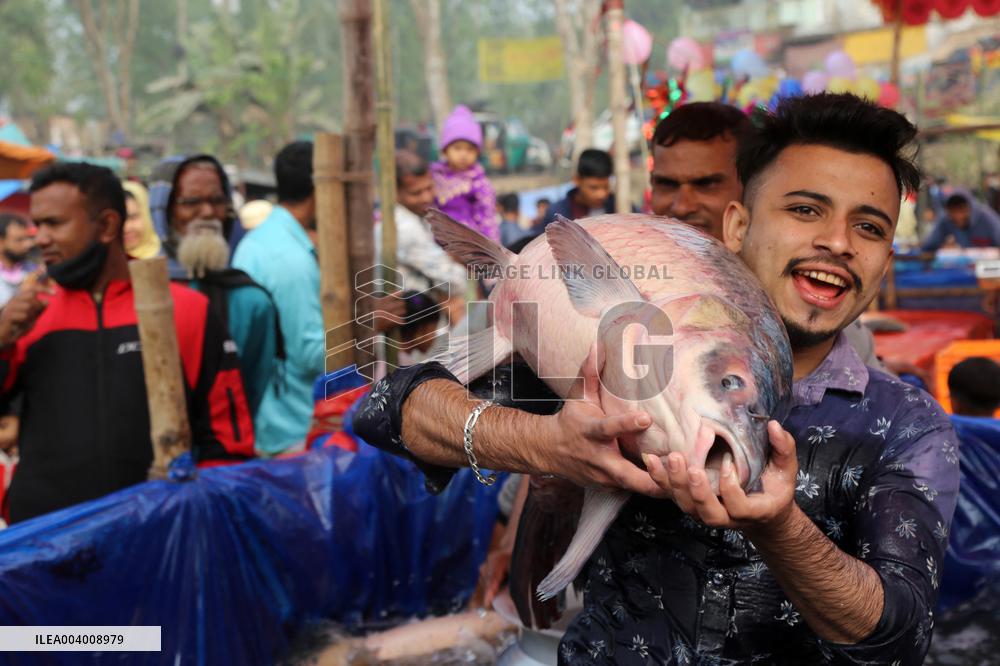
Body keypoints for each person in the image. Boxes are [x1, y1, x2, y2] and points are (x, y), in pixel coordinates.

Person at [352, 94, 959, 663]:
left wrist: (780, 528)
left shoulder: (906, 424)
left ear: (885, 259)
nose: (836, 242)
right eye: (805, 210)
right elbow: (385, 410)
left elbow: (900, 639)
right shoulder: (613, 350)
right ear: (738, 227)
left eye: (870, 227)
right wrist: (545, 445)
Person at [0, 163, 254, 523]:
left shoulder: (185, 309)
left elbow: (228, 442)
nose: (39, 238)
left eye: (54, 224)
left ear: (106, 225)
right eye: (37, 224)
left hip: (159, 546)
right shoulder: (26, 319)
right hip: (46, 554)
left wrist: (202, 517)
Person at [381, 150, 467, 324]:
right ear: (394, 192)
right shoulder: (404, 227)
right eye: (416, 193)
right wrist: (455, 262)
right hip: (413, 330)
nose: (426, 197)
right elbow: (455, 281)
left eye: (429, 188)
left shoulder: (418, 218)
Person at [431, 105, 498, 242]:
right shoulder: (433, 176)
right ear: (445, 150)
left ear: (477, 153)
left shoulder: (478, 182)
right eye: (457, 148)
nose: (463, 154)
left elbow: (487, 219)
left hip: (468, 244)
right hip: (435, 240)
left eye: (469, 150)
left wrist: (491, 250)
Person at [536, 149, 618, 231]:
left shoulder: (618, 208)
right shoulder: (557, 214)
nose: (601, 194)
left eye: (606, 187)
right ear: (577, 180)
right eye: (594, 187)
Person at [921, 190, 1000, 251]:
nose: (958, 216)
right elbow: (929, 245)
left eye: (961, 210)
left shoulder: (986, 217)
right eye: (953, 211)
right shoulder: (945, 219)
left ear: (970, 208)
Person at [0, 213, 37, 308]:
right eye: (19, 240)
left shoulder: (35, 271)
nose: (28, 244)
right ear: (1, 242)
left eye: (28, 238)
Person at [122, 180, 162, 260]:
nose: (126, 228)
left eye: (133, 217)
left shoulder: (166, 257)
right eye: (121, 220)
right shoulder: (104, 264)